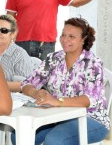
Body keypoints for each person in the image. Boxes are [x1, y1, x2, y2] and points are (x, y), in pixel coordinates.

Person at [11, 17, 110, 145]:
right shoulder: (53, 58)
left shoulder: (92, 63)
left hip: (90, 118)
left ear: (83, 39)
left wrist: (57, 101)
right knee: (19, 135)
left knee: (55, 140)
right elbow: (27, 83)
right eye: (63, 35)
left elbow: (89, 100)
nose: (65, 40)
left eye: (71, 36)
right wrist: (36, 93)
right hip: (56, 116)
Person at [0, 14, 35, 92]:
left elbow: (25, 85)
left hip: (14, 100)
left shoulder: (20, 54)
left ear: (13, 34)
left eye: (4, 30)